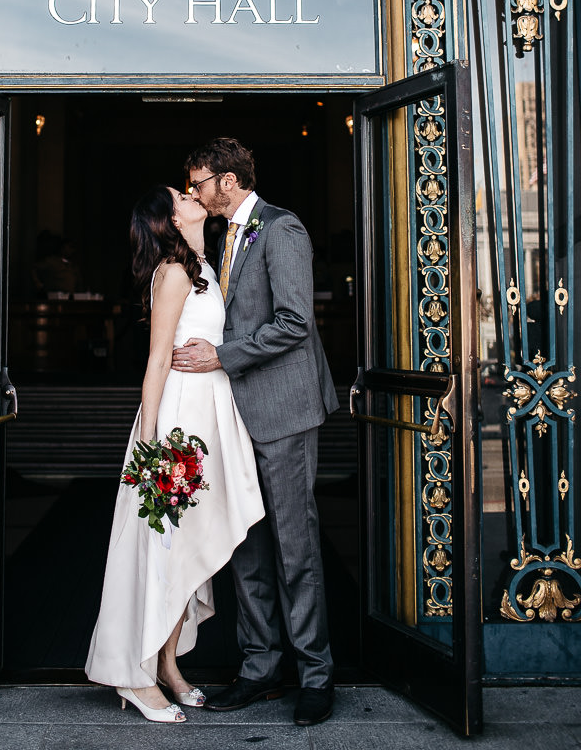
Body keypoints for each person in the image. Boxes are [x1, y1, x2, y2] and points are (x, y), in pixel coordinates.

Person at [172, 136, 339, 728]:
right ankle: (260, 667)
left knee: (296, 547)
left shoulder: (282, 228)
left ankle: (315, 675)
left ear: (227, 179)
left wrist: (221, 356)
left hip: (284, 410)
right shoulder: (222, 237)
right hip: (234, 414)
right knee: (244, 542)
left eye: (198, 183)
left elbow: (294, 323)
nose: (194, 193)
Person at [85, 184, 264, 723]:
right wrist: (151, 442)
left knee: (182, 550)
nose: (191, 195)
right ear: (171, 220)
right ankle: (137, 676)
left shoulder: (203, 266)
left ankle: (169, 667)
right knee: (163, 549)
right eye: (180, 196)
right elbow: (158, 359)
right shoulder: (173, 273)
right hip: (179, 423)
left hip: (209, 414)